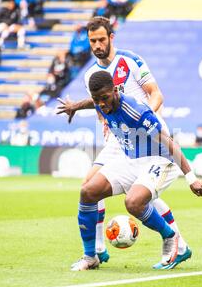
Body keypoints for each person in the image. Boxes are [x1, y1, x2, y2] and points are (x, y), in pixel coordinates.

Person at [57, 16, 192, 270]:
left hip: (146, 135)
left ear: (111, 37)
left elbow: (156, 94)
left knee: (138, 196)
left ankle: (176, 242)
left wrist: (144, 118)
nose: (97, 45)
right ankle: (95, 250)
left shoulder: (130, 61)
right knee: (89, 188)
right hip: (117, 141)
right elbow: (100, 108)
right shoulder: (91, 76)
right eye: (92, 41)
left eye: (101, 39)